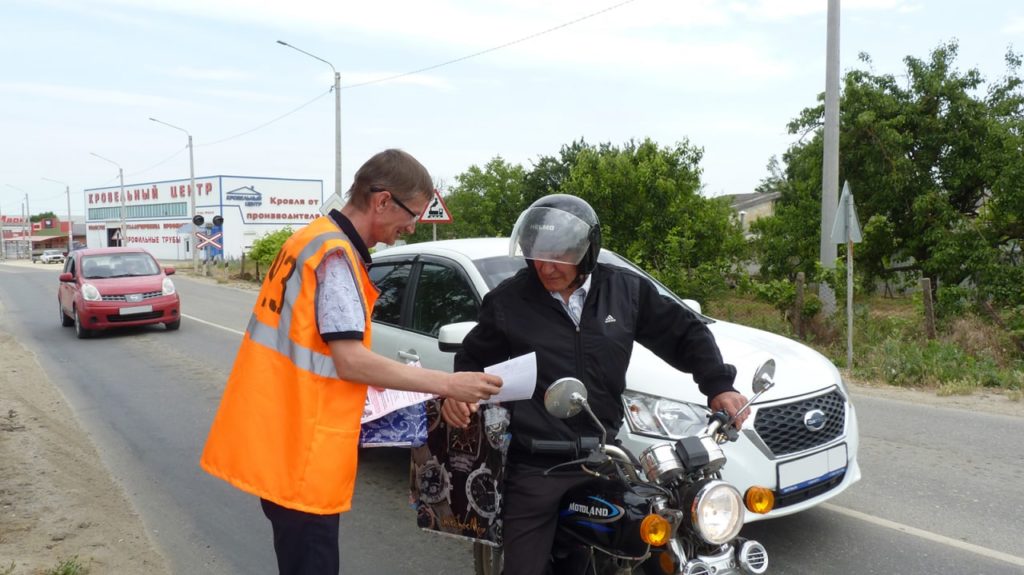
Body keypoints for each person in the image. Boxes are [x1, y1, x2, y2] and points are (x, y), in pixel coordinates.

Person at [200, 149, 502, 575]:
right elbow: (349, 361)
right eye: (412, 214)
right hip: (303, 453)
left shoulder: (308, 241)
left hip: (279, 437)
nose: (412, 227)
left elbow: (319, 354)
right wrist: (447, 384)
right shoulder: (336, 256)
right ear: (381, 201)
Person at [441, 193, 748, 575]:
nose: (546, 268)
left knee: (652, 545)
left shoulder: (626, 291)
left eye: (559, 257)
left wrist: (719, 385)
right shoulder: (508, 302)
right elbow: (472, 360)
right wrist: (456, 391)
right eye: (536, 255)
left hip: (603, 456)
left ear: (586, 251)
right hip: (537, 466)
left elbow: (685, 333)